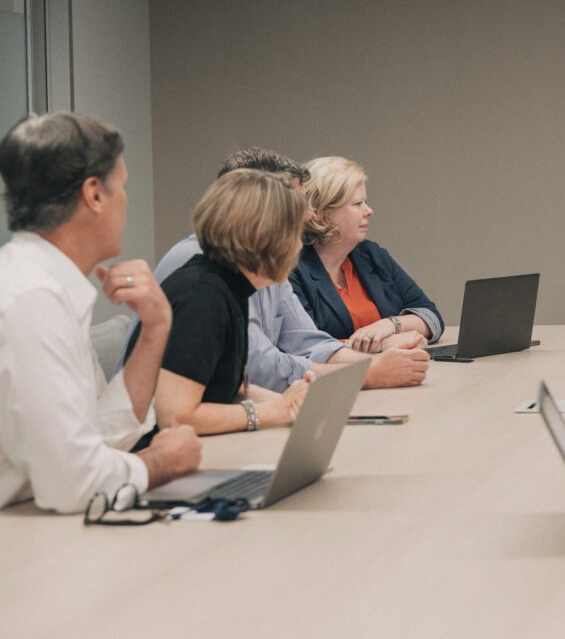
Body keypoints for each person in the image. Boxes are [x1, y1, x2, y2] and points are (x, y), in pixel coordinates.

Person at [0, 112, 200, 513]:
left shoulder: (41, 285)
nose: (125, 201)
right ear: (94, 194)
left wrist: (156, 328)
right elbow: (76, 483)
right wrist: (164, 462)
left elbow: (97, 437)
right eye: (122, 187)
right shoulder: (30, 298)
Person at [135, 148, 429, 390]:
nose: (309, 215)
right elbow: (257, 368)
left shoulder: (264, 260)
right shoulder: (204, 267)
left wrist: (380, 363)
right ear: (260, 207)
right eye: (297, 204)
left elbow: (306, 341)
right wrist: (369, 373)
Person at [127, 169, 311, 436]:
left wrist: (290, 403)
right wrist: (272, 412)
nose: (298, 247)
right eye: (295, 234)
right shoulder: (204, 297)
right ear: (267, 238)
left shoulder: (229, 285)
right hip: (157, 462)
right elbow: (177, 417)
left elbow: (222, 385)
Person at [290, 156, 443, 351]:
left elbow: (431, 316)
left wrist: (389, 325)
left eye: (366, 202)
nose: (369, 211)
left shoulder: (371, 255)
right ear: (323, 214)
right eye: (357, 204)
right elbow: (302, 345)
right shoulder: (291, 268)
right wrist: (381, 345)